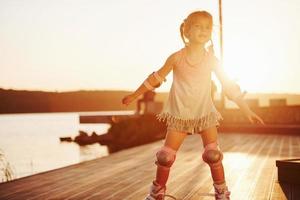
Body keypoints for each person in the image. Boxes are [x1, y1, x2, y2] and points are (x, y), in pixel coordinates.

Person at [122, 10, 264, 200]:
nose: (204, 30)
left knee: (213, 154)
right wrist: (134, 95)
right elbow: (156, 78)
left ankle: (221, 193)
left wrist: (247, 110)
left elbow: (229, 87)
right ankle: (157, 193)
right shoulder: (176, 57)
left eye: (207, 27)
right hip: (180, 115)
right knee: (164, 158)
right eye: (198, 26)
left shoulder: (212, 60)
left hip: (205, 114)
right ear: (187, 31)